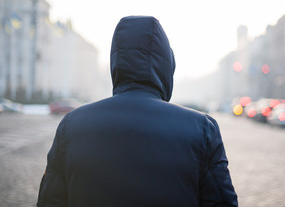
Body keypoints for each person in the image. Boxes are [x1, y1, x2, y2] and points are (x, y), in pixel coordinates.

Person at [37, 16, 238, 207]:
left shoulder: (72, 126)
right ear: (167, 66)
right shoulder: (202, 129)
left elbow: (51, 201)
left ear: (116, 63)